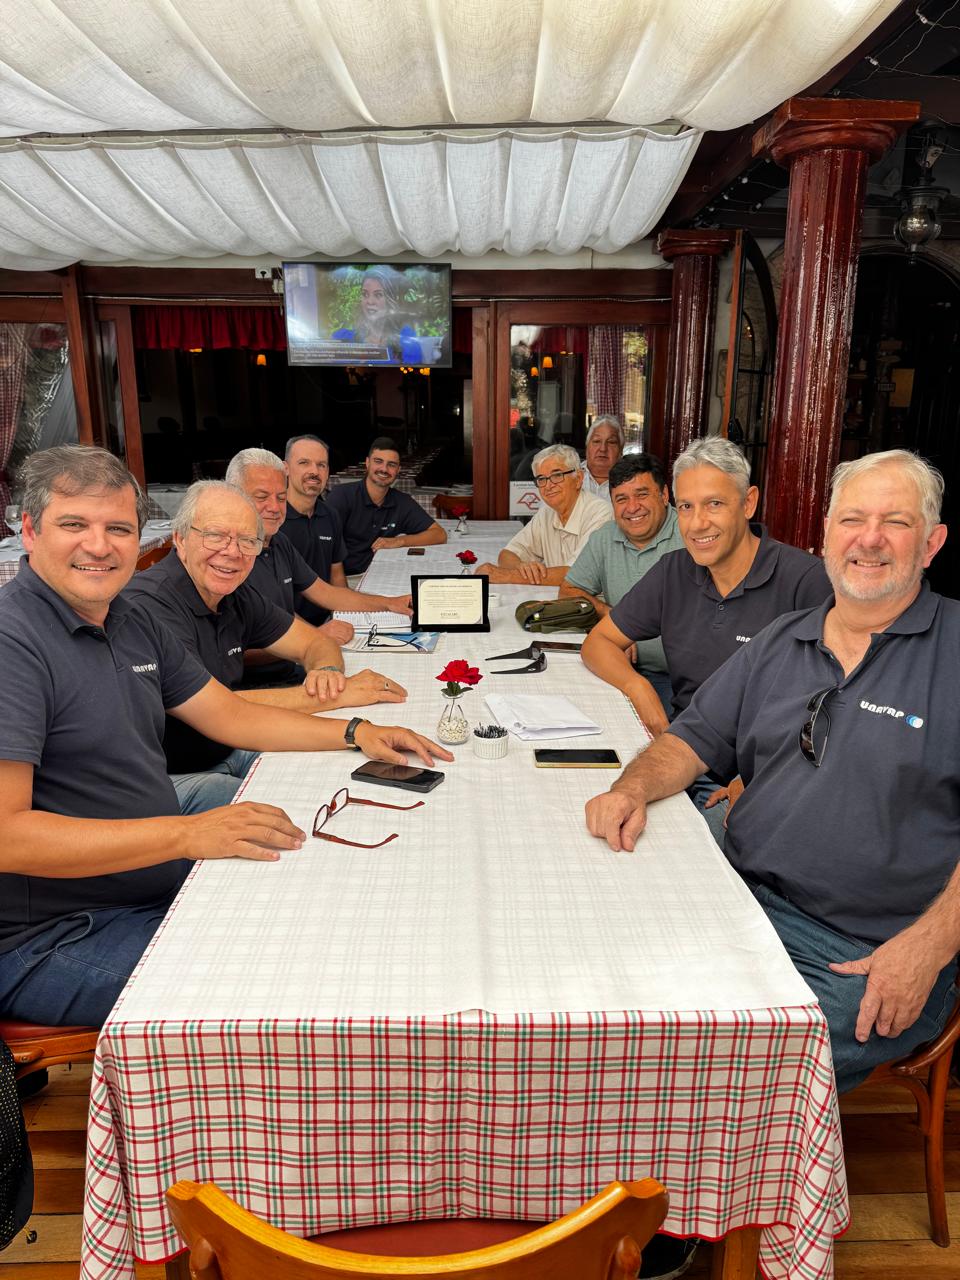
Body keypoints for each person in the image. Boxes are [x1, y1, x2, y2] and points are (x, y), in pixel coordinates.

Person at [0, 445, 452, 1028]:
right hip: (55, 935)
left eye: (118, 528)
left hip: (152, 882)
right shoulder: (13, 641)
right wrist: (188, 833)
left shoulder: (128, 618)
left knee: (335, 900)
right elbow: (7, 836)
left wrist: (355, 730)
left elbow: (231, 717)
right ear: (29, 530)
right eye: (74, 525)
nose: (99, 545)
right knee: (292, 978)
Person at [585, 449, 959, 1096]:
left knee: (708, 1070)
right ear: (826, 534)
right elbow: (693, 738)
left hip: (859, 948)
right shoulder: (784, 638)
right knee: (601, 976)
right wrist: (631, 788)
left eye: (896, 522)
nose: (869, 539)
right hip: (732, 888)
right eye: (853, 520)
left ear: (931, 543)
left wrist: (930, 946)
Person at [581, 436, 829, 841]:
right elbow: (598, 643)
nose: (697, 524)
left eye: (714, 504)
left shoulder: (805, 581)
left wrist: (764, 775)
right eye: (686, 507)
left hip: (755, 779)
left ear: (748, 503)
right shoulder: (675, 571)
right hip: (681, 759)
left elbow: (835, 700)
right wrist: (639, 688)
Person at [124, 480, 409, 813]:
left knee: (336, 777)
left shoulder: (233, 592)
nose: (233, 552)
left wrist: (328, 672)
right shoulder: (151, 605)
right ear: (180, 538)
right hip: (167, 776)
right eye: (215, 535)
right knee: (296, 808)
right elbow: (221, 710)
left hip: (226, 748)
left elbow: (315, 642)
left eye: (247, 540)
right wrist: (343, 705)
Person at [225, 448, 413, 686]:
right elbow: (232, 656)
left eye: (281, 497)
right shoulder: (225, 560)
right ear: (233, 496)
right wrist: (314, 637)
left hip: (296, 667)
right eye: (261, 497)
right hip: (261, 687)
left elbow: (325, 593)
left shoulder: (278, 541)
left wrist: (389, 603)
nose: (274, 507)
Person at [560, 453, 684, 716]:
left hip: (679, 679)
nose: (632, 507)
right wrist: (614, 620)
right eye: (621, 499)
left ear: (664, 495)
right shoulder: (605, 537)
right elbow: (568, 592)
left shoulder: (689, 535)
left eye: (642, 495)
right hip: (618, 667)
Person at [474, 444, 611, 586]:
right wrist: (521, 567)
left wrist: (507, 575)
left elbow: (577, 575)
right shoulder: (546, 512)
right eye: (541, 479)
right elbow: (508, 554)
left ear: (578, 479)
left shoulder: (601, 513)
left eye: (557, 475)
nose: (548, 486)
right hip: (557, 596)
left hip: (591, 599)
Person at [325, 437, 446, 578]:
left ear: (398, 470)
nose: (384, 469)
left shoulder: (402, 501)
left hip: (384, 573)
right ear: (367, 463)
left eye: (391, 464)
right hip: (347, 577)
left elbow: (439, 534)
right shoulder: (342, 496)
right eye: (378, 461)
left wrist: (399, 541)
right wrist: (341, 588)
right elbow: (325, 546)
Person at [281, 434, 348, 626]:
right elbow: (270, 601)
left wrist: (344, 618)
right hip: (284, 628)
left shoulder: (330, 515)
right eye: (304, 463)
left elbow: (336, 575)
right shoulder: (273, 519)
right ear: (286, 468)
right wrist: (317, 635)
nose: (314, 471)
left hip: (326, 620)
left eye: (321, 465)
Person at [332, 266, 424, 363]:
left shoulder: (406, 339)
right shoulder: (343, 338)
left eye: (378, 295)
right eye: (365, 294)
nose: (370, 301)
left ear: (391, 300)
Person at [580, 415, 624, 500]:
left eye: (611, 442)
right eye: (597, 441)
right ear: (587, 447)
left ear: (621, 450)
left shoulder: (631, 482)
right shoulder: (570, 477)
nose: (603, 449)